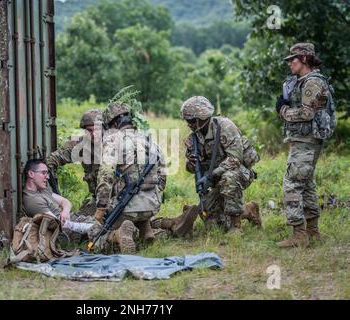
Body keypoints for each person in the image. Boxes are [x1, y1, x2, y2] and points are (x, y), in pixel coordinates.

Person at [275, 43, 334, 248]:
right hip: (305, 140)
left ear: (305, 59)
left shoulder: (312, 82)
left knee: (291, 184)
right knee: (306, 184)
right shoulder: (306, 81)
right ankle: (312, 232)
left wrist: (283, 111)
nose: (290, 63)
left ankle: (299, 234)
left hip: (307, 141)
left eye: (293, 59)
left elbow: (307, 113)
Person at [94, 103, 167, 253]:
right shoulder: (150, 140)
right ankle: (146, 230)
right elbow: (163, 174)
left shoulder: (113, 140)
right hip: (152, 205)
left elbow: (105, 176)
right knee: (137, 205)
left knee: (94, 230)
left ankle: (117, 234)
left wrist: (100, 209)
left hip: (125, 208)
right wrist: (155, 194)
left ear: (113, 124)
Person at [181, 96, 260, 233]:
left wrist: (211, 175)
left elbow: (235, 159)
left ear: (201, 118)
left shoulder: (224, 126)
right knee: (213, 224)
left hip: (238, 173)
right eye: (187, 121)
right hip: (215, 180)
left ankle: (236, 227)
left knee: (228, 178)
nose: (189, 124)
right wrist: (192, 164)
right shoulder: (193, 137)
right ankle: (249, 210)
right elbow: (190, 169)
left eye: (191, 121)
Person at [46, 109, 103, 216]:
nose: (94, 134)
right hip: (98, 198)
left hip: (117, 199)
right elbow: (55, 157)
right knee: (79, 223)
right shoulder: (82, 144)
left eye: (97, 130)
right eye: (89, 130)